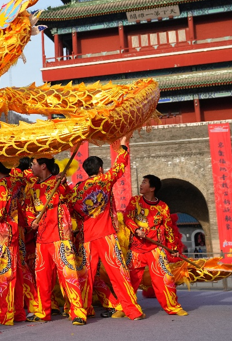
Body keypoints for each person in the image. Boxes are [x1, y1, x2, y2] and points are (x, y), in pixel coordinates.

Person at [64, 137, 145, 320]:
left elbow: (72, 210)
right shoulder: (104, 180)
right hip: (106, 235)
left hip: (87, 238)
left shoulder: (78, 189)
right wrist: (123, 146)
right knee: (118, 273)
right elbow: (120, 166)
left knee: (86, 276)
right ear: (100, 169)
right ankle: (132, 310)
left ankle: (79, 313)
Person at [26, 157, 87, 325]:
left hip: (61, 236)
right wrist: (32, 221)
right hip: (42, 238)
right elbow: (29, 209)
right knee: (42, 277)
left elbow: (70, 197)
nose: (31, 167)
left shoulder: (57, 182)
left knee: (69, 275)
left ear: (43, 166)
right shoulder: (32, 188)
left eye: (34, 164)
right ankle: (43, 311)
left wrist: (63, 182)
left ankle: (78, 312)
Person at [124, 175, 188, 316]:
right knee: (130, 279)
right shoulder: (135, 201)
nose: (141, 185)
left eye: (144, 182)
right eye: (142, 181)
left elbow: (169, 229)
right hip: (136, 248)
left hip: (155, 248)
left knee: (165, 278)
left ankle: (173, 307)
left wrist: (173, 249)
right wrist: (136, 229)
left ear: (152, 188)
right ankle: (123, 308)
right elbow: (127, 217)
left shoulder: (163, 207)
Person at [0, 161, 28, 326]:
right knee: (15, 274)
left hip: (1, 235)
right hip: (14, 232)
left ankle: (4, 315)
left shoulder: (1, 185)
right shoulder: (15, 183)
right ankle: (18, 312)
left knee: (1, 275)